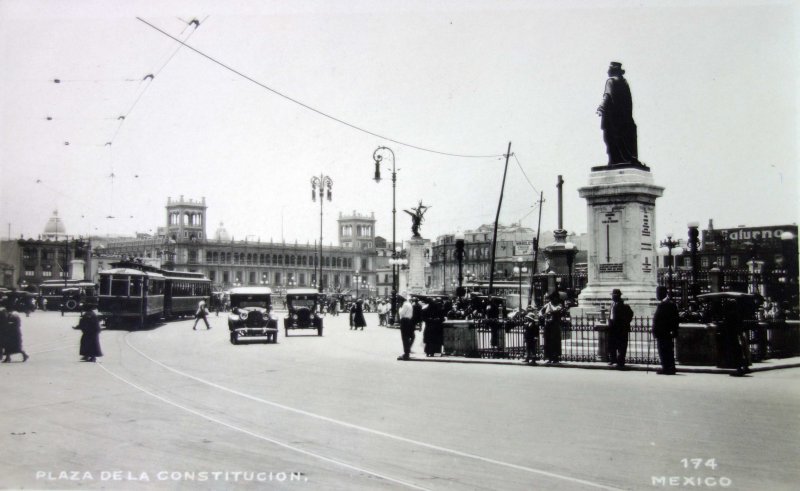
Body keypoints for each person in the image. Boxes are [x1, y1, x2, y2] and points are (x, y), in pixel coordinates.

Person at [597, 61, 640, 166]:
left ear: (613, 71)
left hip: (612, 120)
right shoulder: (625, 83)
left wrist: (600, 108)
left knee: (609, 139)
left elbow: (607, 95)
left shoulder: (610, 81)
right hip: (625, 120)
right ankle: (623, 159)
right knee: (622, 141)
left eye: (609, 69)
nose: (607, 71)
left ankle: (615, 161)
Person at [652, 286, 679, 375]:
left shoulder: (669, 304)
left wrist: (673, 330)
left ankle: (669, 368)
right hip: (661, 332)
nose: (657, 295)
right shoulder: (662, 303)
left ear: (663, 293)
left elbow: (675, 319)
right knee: (663, 350)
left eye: (658, 293)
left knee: (666, 350)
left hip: (665, 332)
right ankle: (666, 367)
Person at [608, 289, 633, 369]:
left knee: (621, 346)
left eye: (614, 295)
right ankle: (613, 359)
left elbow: (630, 314)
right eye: (612, 295)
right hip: (612, 327)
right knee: (612, 344)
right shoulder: (612, 305)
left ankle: (620, 362)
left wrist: (625, 323)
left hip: (621, 329)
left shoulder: (624, 306)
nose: (613, 296)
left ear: (618, 296)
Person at [540, 291, 564, 364]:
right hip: (548, 326)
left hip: (555, 326)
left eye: (556, 298)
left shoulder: (559, 305)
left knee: (555, 342)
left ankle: (555, 357)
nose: (554, 300)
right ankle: (549, 357)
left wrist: (551, 312)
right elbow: (540, 311)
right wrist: (542, 315)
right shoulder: (547, 305)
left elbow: (558, 310)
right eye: (553, 298)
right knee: (548, 342)